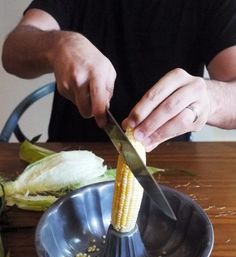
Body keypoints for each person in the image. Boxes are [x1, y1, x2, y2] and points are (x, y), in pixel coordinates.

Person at [2, 0, 236, 151]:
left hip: (167, 162)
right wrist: (57, 45)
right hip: (70, 155)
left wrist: (210, 98)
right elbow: (13, 50)